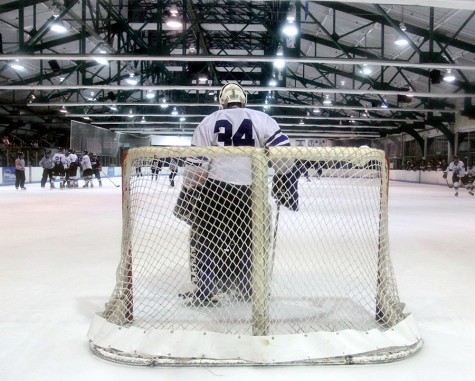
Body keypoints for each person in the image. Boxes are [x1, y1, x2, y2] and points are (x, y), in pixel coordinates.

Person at [174, 82, 293, 306]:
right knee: (249, 241)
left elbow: (196, 166)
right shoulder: (262, 118)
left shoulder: (208, 121)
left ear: (222, 99)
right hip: (251, 191)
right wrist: (284, 177)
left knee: (207, 241)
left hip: (215, 190)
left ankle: (206, 289)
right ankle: (249, 288)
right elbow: (284, 154)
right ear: (244, 98)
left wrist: (188, 191)